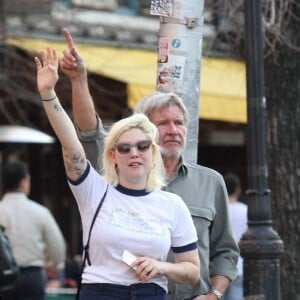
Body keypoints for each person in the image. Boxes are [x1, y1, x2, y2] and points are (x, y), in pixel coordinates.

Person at [60, 28, 239, 300]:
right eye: (163, 123)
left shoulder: (211, 181)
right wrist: (79, 79)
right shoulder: (120, 165)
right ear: (145, 132)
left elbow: (226, 251)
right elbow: (89, 131)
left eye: (178, 123)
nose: (173, 130)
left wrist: (215, 293)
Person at [34, 46, 200, 300]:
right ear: (113, 156)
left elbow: (192, 270)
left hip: (150, 293)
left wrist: (161, 267)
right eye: (124, 147)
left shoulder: (172, 205)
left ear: (153, 153)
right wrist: (48, 93)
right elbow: (71, 144)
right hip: (99, 291)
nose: (134, 153)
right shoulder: (94, 190)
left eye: (143, 146)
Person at [0, 161, 66, 300]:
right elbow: (57, 245)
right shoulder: (40, 211)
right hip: (31, 277)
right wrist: (55, 266)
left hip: (2, 277)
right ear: (23, 182)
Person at [223, 173, 248, 300]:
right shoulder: (246, 210)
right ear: (238, 190)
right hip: (239, 264)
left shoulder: (218, 210)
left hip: (219, 266)